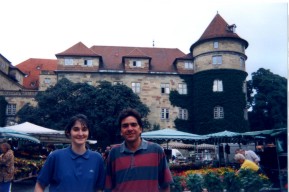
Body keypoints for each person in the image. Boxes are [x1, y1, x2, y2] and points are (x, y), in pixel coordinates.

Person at [105, 108, 173, 191]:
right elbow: (108, 187)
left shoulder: (156, 150)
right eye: (125, 126)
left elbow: (165, 185)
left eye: (133, 124)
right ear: (121, 131)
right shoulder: (114, 153)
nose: (130, 129)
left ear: (140, 129)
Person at [34, 114, 105, 192]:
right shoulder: (55, 156)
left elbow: (99, 189)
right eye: (76, 129)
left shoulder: (97, 159)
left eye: (84, 129)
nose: (80, 133)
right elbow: (40, 186)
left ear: (88, 132)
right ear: (68, 132)